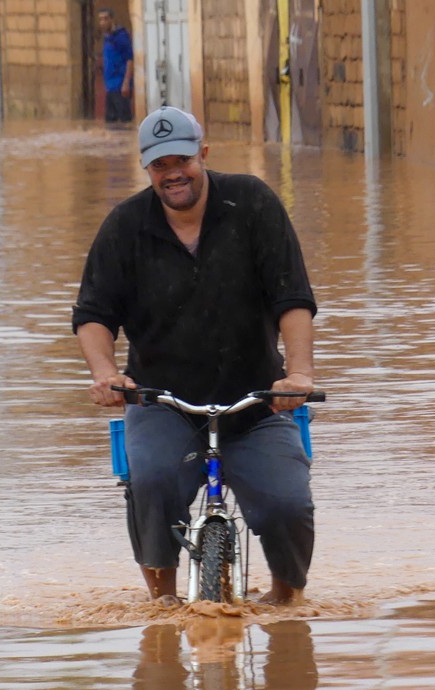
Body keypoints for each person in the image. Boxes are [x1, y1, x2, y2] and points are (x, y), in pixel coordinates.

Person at [72, 106, 317, 606]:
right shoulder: (125, 227)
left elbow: (292, 298)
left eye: (182, 160)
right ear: (147, 169)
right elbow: (94, 313)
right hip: (163, 404)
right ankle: (163, 606)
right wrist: (105, 373)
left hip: (256, 402)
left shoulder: (252, 204)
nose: (173, 173)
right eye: (161, 165)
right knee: (153, 486)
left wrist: (298, 375)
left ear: (203, 155)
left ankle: (286, 602)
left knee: (286, 505)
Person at [98, 8, 134, 123]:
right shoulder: (107, 38)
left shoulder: (121, 37)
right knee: (110, 123)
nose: (103, 22)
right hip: (110, 87)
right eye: (100, 19)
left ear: (111, 20)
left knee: (124, 121)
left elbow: (130, 60)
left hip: (120, 86)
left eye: (105, 19)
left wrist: (126, 83)